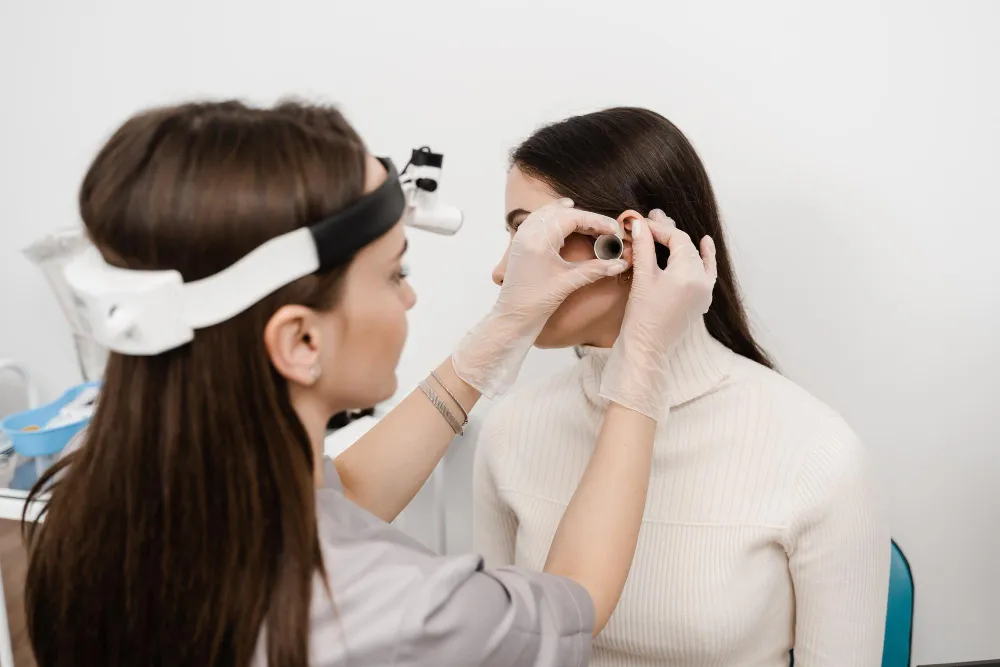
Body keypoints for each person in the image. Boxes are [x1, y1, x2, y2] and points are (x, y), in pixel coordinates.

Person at [21, 100, 718, 667]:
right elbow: (575, 597)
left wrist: (500, 333)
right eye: (397, 273)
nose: (411, 300)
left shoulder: (83, 512)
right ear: (299, 339)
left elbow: (343, 497)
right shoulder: (396, 611)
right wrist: (642, 364)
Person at [474, 107, 891, 667]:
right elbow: (502, 655)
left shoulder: (817, 455)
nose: (503, 270)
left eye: (531, 233)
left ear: (624, 243)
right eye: (512, 234)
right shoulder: (508, 432)